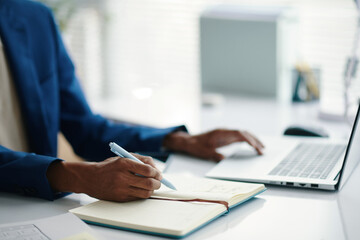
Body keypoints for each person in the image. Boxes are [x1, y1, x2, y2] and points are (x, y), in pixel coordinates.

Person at [0, 0, 264, 203]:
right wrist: (77, 176)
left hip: (39, 208)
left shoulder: (34, 18)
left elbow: (85, 128)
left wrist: (179, 141)